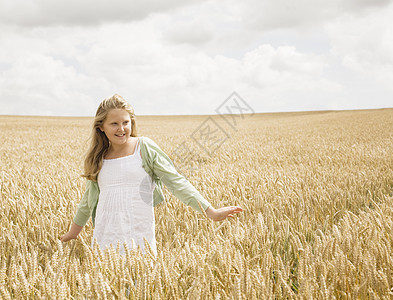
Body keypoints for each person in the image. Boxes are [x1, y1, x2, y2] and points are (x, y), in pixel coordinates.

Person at [60, 94, 243, 254]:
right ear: (101, 127)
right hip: (106, 236)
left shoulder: (143, 148)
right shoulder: (98, 158)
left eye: (126, 122)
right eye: (114, 123)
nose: (121, 128)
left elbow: (176, 181)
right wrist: (73, 233)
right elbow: (88, 201)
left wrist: (211, 211)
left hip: (139, 234)